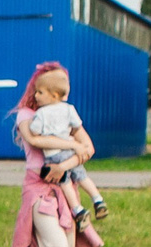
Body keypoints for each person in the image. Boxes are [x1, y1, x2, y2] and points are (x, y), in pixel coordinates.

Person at [12, 63, 101, 247]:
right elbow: (36, 140)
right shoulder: (26, 115)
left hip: (65, 186)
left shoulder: (65, 114)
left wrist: (64, 165)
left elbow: (89, 148)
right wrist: (73, 144)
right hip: (38, 189)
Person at [26, 79, 107, 222]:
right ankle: (98, 200)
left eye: (40, 92)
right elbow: (77, 125)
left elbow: (34, 131)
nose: (36, 96)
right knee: (82, 176)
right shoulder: (69, 109)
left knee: (65, 182)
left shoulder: (42, 113)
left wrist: (32, 123)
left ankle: (78, 209)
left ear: (54, 95)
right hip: (70, 150)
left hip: (54, 154)